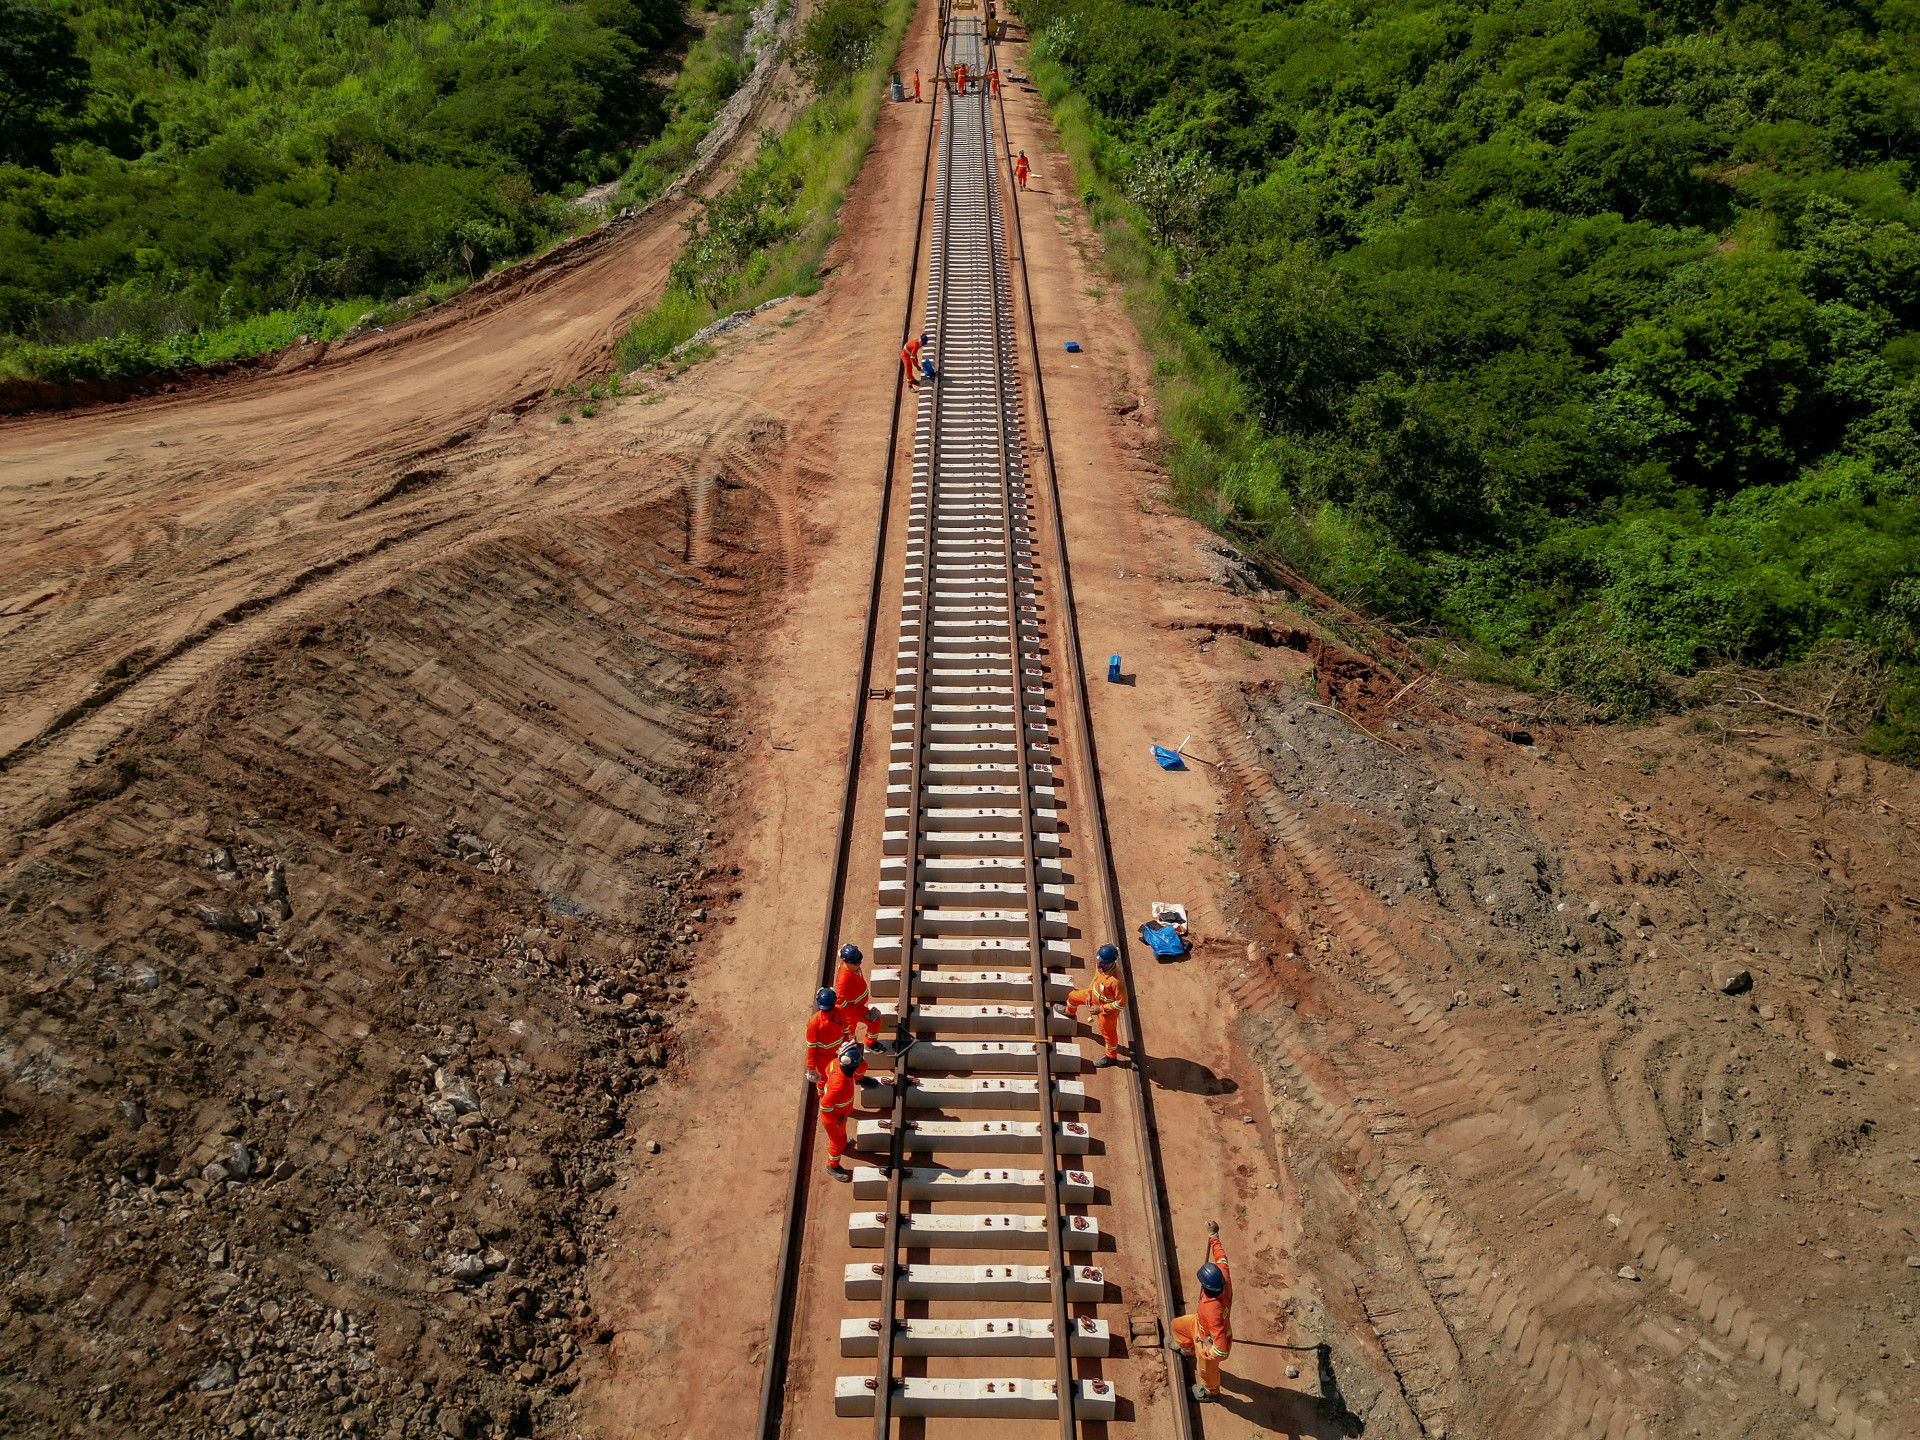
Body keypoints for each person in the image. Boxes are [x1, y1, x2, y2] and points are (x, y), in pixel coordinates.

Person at [1172, 1221, 1233, 1402]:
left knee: (1206, 1371)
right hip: (1199, 1325)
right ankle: (1187, 1348)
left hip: (1209, 1338)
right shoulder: (1224, 1276)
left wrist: (1207, 1351)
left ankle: (1211, 1392)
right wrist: (1213, 1236)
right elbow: (1222, 1258)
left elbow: (1221, 1351)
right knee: (1177, 1325)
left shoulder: (1212, 1310)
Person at [1067, 943, 1127, 1067]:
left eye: (1103, 963)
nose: (1099, 964)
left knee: (1108, 1034)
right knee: (1073, 996)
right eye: (1098, 961)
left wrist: (1101, 1009)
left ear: (1111, 962)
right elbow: (1095, 980)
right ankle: (1069, 1012)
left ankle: (1111, 1057)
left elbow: (1121, 1003)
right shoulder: (1100, 966)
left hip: (1107, 1012)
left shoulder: (1116, 981)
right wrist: (1089, 993)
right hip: (1093, 998)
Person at [819, 1042, 867, 1181]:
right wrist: (836, 1118)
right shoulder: (839, 1086)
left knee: (841, 1136)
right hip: (833, 1119)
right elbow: (824, 1106)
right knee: (837, 1143)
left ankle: (842, 1141)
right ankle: (832, 1166)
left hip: (840, 1114)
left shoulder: (835, 1063)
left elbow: (827, 1072)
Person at [833, 942, 884, 1045]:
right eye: (856, 963)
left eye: (860, 961)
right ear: (846, 962)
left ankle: (851, 1044)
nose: (859, 964)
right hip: (854, 1009)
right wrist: (854, 1011)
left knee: (849, 1029)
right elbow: (839, 1000)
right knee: (874, 1022)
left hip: (855, 1007)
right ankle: (870, 1044)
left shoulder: (852, 966)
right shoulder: (843, 980)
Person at [805, 986, 848, 1085]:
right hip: (839, 1055)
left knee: (822, 1081)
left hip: (822, 1060)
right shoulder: (840, 1011)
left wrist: (811, 1067)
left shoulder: (814, 1022)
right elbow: (846, 1031)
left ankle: (822, 1095)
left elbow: (811, 1046)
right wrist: (845, 1048)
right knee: (839, 1079)